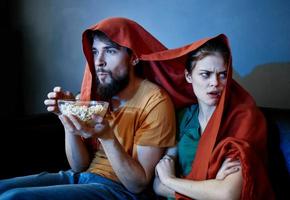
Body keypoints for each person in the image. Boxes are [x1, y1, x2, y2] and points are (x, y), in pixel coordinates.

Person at [0, 17, 176, 200]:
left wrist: (108, 138)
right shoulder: (98, 95)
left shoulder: (155, 102)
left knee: (13, 197)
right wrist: (67, 114)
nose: (99, 61)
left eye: (110, 51)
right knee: (2, 188)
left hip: (118, 190)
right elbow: (79, 166)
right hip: (81, 178)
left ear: (133, 57)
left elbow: (138, 185)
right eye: (94, 51)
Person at [141, 34, 275, 199]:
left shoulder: (244, 118)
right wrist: (210, 186)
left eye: (223, 75)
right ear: (189, 76)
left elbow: (227, 194)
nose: (215, 83)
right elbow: (157, 185)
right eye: (205, 74)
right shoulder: (183, 116)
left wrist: (170, 180)